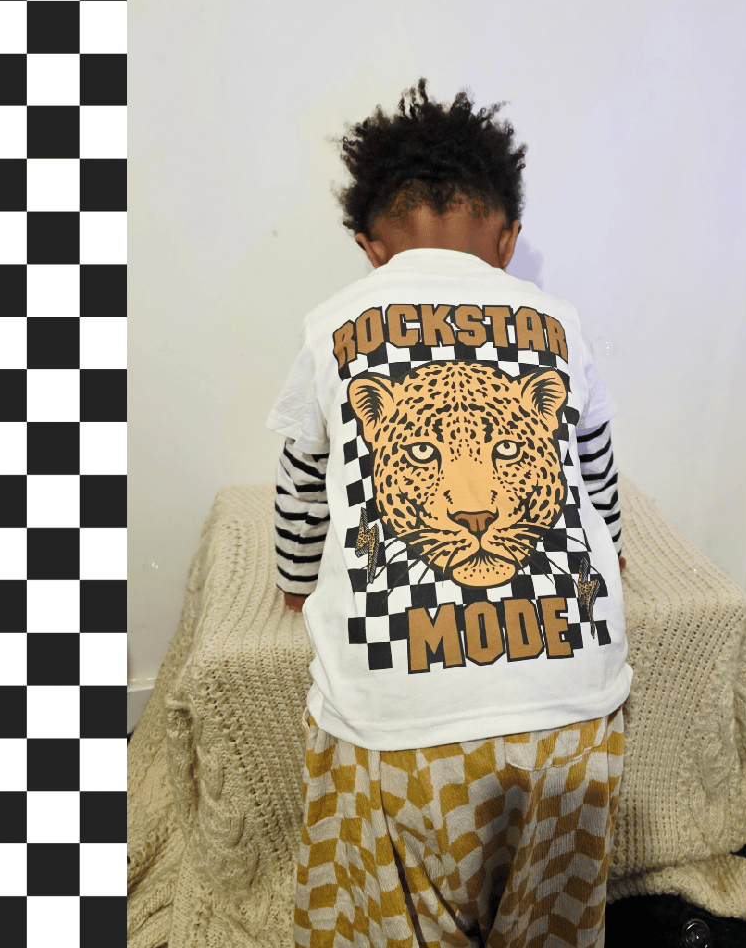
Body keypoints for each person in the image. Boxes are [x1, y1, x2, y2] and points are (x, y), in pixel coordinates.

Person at [266, 78, 631, 948]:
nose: (472, 508)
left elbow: (303, 483)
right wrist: (609, 553)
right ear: (507, 239)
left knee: (387, 926)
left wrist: (294, 580)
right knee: (548, 924)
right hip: (575, 715)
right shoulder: (559, 321)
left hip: (394, 729)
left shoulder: (332, 324)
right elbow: (599, 480)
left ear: (369, 248)